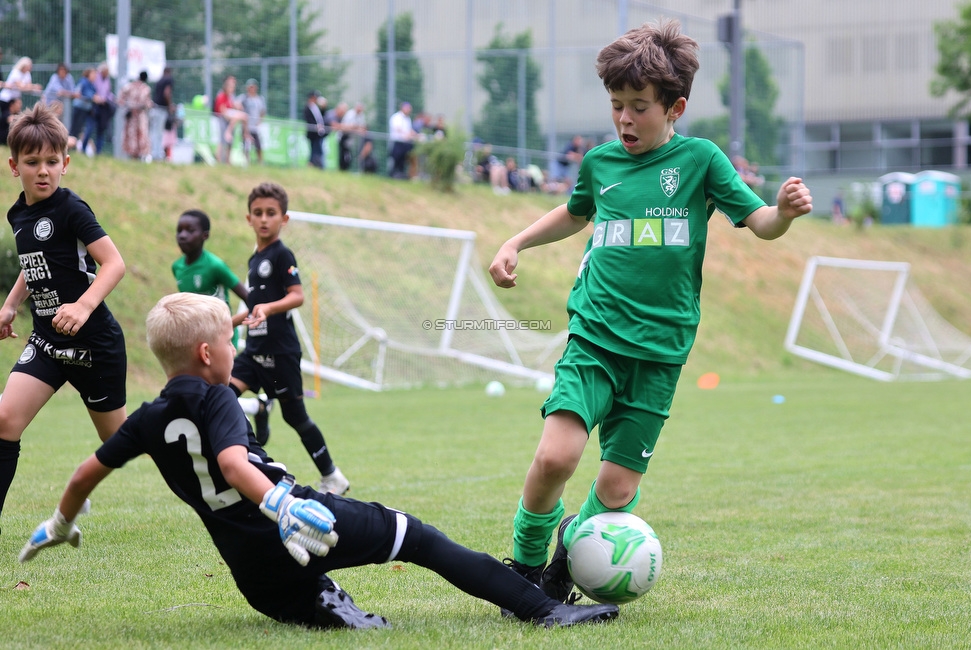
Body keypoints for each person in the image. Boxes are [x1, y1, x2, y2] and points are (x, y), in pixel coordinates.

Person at [18, 292, 619, 630]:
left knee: (308, 602)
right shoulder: (217, 396)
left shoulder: (149, 418)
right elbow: (232, 463)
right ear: (207, 353)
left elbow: (82, 474)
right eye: (230, 340)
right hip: (302, 522)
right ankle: (543, 610)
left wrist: (62, 524)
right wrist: (281, 504)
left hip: (253, 574)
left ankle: (326, 604)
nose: (236, 348)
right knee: (422, 541)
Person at [487, 19, 812, 604]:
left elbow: (759, 223)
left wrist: (783, 212)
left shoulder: (701, 161)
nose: (624, 120)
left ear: (675, 107)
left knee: (614, 490)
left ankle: (569, 553)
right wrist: (515, 243)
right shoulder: (601, 164)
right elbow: (574, 213)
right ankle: (526, 563)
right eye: (616, 106)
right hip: (596, 337)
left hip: (661, 352)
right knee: (556, 455)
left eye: (639, 106)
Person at [0, 103, 128, 534]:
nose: (43, 171)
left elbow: (113, 264)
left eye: (52, 162)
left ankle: (196, 423)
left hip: (94, 344)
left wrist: (83, 305)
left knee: (121, 444)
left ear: (65, 164)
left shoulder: (72, 209)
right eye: (32, 163)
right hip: (47, 342)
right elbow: (33, 261)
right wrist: (12, 304)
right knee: (4, 420)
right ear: (14, 165)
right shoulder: (17, 214)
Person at [230, 182, 349, 494]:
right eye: (258, 213)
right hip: (253, 351)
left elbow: (296, 296)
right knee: (223, 397)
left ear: (284, 219)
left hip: (280, 352)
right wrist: (225, 322)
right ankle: (251, 465)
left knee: (295, 417)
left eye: (271, 213)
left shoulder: (283, 255)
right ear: (248, 219)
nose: (264, 219)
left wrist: (268, 308)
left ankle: (332, 475)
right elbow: (255, 308)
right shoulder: (254, 260)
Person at [171, 209, 271, 443]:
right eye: (179, 230)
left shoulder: (215, 265)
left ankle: (241, 442)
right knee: (209, 392)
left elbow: (248, 297)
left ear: (205, 235)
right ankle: (257, 408)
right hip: (196, 339)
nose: (183, 235)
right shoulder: (177, 267)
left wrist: (247, 321)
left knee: (218, 390)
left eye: (190, 230)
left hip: (222, 336)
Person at [118, 71, 154, 161]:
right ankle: (137, 155)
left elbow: (121, 95)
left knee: (131, 134)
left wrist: (125, 104)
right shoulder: (146, 88)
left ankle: (133, 154)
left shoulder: (130, 86)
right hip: (140, 115)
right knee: (141, 134)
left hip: (131, 114)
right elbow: (148, 104)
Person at [214, 75, 249, 164]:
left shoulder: (231, 96)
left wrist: (237, 108)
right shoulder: (221, 95)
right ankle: (218, 159)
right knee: (222, 141)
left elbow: (232, 106)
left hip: (229, 119)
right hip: (223, 119)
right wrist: (233, 116)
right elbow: (222, 111)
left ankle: (227, 161)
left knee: (229, 142)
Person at [88, 63, 116, 155]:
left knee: (101, 129)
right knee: (90, 128)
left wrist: (112, 99)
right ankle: (85, 148)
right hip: (95, 106)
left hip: (104, 108)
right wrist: (97, 97)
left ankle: (99, 151)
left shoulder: (107, 80)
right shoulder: (96, 77)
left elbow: (108, 93)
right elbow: (92, 90)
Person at [150, 66, 175, 162]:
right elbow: (167, 93)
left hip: (155, 108)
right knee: (159, 133)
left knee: (154, 132)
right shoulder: (169, 80)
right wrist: (169, 106)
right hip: (161, 109)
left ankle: (154, 153)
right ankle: (156, 155)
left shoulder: (159, 80)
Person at [239, 79, 266, 164]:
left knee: (258, 145)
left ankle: (260, 162)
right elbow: (237, 104)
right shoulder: (244, 98)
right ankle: (246, 162)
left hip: (255, 126)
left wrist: (260, 121)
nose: (252, 89)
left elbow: (262, 111)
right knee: (246, 145)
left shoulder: (260, 99)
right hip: (246, 125)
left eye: (253, 87)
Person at [388, 101, 417, 179]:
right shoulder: (396, 117)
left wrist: (415, 134)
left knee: (403, 160)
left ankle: (401, 175)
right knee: (396, 159)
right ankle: (393, 175)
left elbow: (409, 130)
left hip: (405, 143)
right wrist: (407, 134)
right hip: (398, 142)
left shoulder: (408, 119)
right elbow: (398, 129)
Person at [70, 67, 96, 148]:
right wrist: (93, 97)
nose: (95, 76)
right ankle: (70, 146)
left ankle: (75, 146)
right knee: (75, 128)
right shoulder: (84, 81)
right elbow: (84, 93)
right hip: (79, 107)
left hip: (85, 109)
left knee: (79, 129)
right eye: (93, 74)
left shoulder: (91, 84)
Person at [303, 90, 326, 169]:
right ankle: (312, 165)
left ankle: (315, 165)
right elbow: (308, 119)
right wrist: (316, 126)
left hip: (318, 133)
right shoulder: (308, 107)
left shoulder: (315, 107)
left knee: (317, 150)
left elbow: (321, 117)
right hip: (313, 133)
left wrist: (323, 108)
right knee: (314, 150)